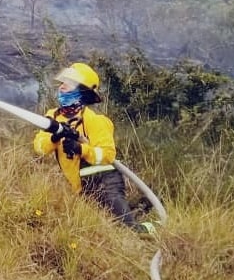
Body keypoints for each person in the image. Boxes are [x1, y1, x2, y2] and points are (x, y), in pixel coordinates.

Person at [33, 63, 156, 235]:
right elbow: (39, 147)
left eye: (69, 83)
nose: (62, 86)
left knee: (130, 231)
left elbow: (107, 155)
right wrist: (54, 137)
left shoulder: (96, 121)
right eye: (62, 82)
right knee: (99, 228)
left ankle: (152, 229)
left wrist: (80, 149)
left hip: (106, 183)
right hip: (82, 190)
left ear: (83, 92)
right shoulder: (52, 117)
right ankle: (138, 207)